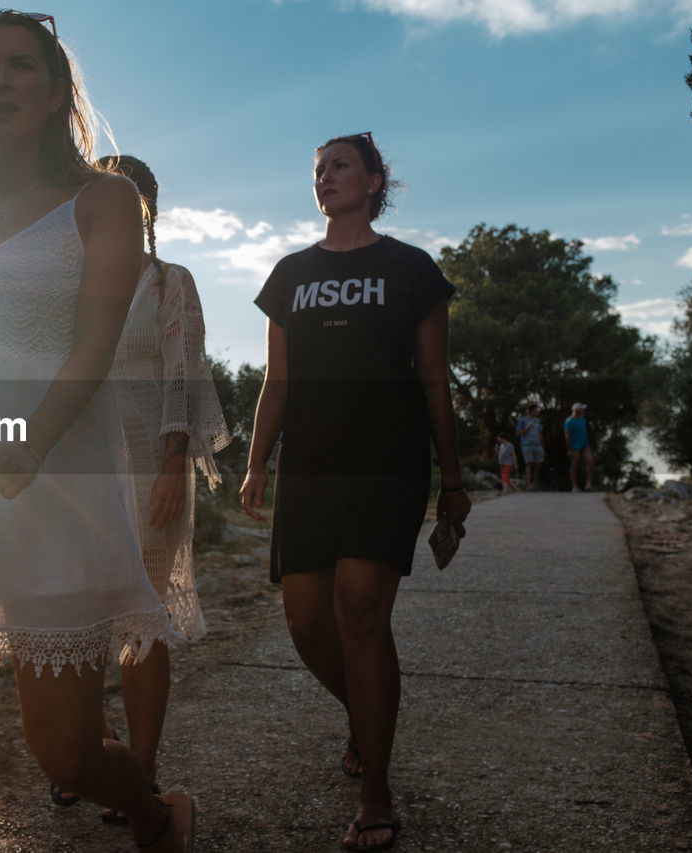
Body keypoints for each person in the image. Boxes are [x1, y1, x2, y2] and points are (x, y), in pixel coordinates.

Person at [0, 12, 194, 852]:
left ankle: (160, 817)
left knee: (64, 751)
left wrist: (30, 439)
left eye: (22, 66)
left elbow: (93, 341)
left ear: (57, 94)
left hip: (57, 478)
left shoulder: (104, 200)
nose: (0, 80)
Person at [240, 132, 471, 852]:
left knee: (361, 611)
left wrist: (454, 477)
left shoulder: (411, 269)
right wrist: (256, 463)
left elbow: (434, 380)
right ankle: (366, 718)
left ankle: (376, 790)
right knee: (308, 623)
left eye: (341, 165)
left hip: (387, 460)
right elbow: (276, 381)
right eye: (318, 169)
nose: (326, 176)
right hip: (310, 464)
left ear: (376, 181)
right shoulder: (290, 274)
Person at [88, 153, 229, 822]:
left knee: (141, 619)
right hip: (81, 472)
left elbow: (183, 372)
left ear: (145, 208)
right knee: (80, 616)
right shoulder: (74, 284)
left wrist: (175, 459)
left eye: (123, 196)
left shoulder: (168, 281)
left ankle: (140, 772)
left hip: (151, 469)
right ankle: (94, 758)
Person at [564, 402, 594, 492]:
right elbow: (567, 436)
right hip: (575, 446)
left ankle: (588, 484)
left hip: (584, 445)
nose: (583, 410)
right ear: (576, 410)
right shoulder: (569, 421)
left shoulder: (582, 419)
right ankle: (574, 486)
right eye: (582, 409)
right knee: (574, 465)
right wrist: (569, 450)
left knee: (590, 461)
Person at [514, 403, 544, 490]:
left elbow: (540, 434)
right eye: (536, 409)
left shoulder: (537, 421)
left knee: (538, 465)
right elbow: (518, 433)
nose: (538, 411)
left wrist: (542, 446)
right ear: (531, 410)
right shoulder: (523, 420)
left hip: (537, 445)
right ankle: (528, 485)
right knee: (529, 464)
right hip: (527, 445)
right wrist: (527, 428)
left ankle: (535, 485)